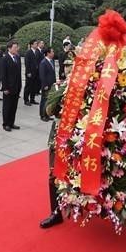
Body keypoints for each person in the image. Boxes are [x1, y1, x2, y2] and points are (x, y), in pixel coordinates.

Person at [39, 56, 74, 230]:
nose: (69, 69)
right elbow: (48, 110)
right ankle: (56, 212)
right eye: (66, 66)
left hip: (77, 137)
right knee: (53, 175)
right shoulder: (57, 86)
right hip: (59, 135)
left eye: (72, 66)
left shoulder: (86, 88)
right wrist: (62, 91)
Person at [0, 40, 22, 131]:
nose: (17, 49)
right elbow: (3, 75)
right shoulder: (4, 59)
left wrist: (20, 86)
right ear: (9, 48)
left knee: (14, 106)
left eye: (17, 47)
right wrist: (4, 87)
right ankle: (6, 124)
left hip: (16, 87)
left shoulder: (17, 57)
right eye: (15, 47)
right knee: (7, 106)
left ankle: (11, 123)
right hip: (8, 88)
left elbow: (18, 73)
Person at [38, 47, 56, 122]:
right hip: (46, 85)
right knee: (44, 100)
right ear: (48, 53)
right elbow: (42, 75)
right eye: (52, 52)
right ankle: (42, 115)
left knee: (49, 100)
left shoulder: (52, 61)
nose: (53, 53)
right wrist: (44, 85)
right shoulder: (43, 62)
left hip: (51, 84)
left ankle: (47, 114)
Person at [23, 40, 40, 106]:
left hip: (36, 72)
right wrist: (28, 72)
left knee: (34, 86)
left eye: (36, 44)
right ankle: (26, 100)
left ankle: (32, 99)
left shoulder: (37, 52)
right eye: (35, 44)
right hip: (30, 72)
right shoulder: (28, 52)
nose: (36, 45)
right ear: (31, 45)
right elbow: (27, 63)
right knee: (28, 86)